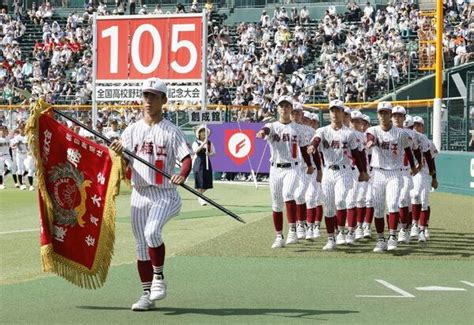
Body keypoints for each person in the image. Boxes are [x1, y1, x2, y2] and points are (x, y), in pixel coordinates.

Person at [110, 77, 192, 311]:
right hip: (139, 193)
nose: (148, 101)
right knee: (140, 245)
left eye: (153, 96)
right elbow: (124, 161)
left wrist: (182, 175)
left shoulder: (172, 131)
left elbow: (186, 158)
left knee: (152, 231)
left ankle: (159, 278)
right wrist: (120, 152)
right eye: (146, 95)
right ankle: (147, 295)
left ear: (163, 100)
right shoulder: (132, 130)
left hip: (165, 193)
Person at [308, 100, 368, 251]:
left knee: (341, 200)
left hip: (345, 170)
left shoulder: (349, 133)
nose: (335, 114)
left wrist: (362, 171)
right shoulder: (322, 130)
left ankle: (341, 232)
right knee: (329, 207)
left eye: (338, 111)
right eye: (332, 111)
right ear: (329, 114)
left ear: (343, 113)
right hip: (328, 170)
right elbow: (316, 140)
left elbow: (357, 154)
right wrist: (313, 146)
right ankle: (330, 238)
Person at [256, 95, 315, 249]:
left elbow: (303, 148)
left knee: (288, 194)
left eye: (287, 106)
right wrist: (262, 132)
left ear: (291, 109)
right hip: (275, 168)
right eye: (282, 106)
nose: (284, 109)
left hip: (293, 167)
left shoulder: (298, 128)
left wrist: (309, 164)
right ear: (278, 108)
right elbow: (266, 129)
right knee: (276, 204)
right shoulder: (273, 125)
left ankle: (293, 230)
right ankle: (278, 236)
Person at [366, 102, 417, 252]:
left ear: (390, 115)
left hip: (395, 173)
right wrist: (369, 142)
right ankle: (381, 239)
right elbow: (370, 138)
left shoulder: (401, 133)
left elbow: (408, 151)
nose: (383, 116)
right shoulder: (373, 130)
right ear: (377, 115)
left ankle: (393, 235)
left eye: (386, 113)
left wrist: (414, 167)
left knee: (394, 203)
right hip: (378, 172)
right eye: (381, 113)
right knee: (378, 209)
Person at [192, 125, 215, 206]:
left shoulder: (209, 143)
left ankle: (199, 195)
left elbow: (213, 152)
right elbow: (195, 151)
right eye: (202, 132)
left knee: (207, 181)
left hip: (206, 163)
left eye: (204, 132)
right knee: (200, 181)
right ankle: (201, 198)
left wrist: (209, 153)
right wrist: (202, 145)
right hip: (198, 162)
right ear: (199, 134)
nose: (203, 134)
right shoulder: (196, 142)